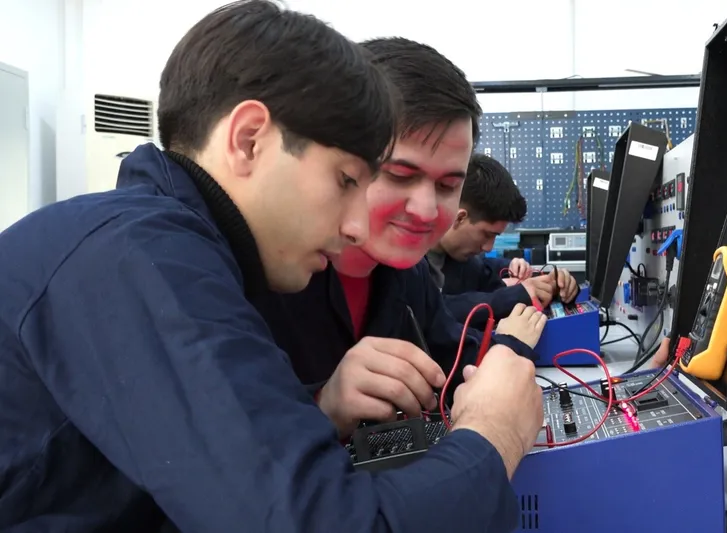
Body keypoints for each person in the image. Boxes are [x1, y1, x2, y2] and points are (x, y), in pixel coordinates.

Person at [0, 3, 544, 532]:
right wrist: (494, 432)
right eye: (346, 181)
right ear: (248, 140)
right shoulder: (137, 256)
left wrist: (317, 409)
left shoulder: (173, 248)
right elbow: (317, 520)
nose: (356, 226)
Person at [261, 37, 546, 437]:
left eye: (448, 185)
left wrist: (508, 353)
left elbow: (457, 365)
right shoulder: (262, 276)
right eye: (399, 175)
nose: (426, 210)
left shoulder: (408, 275)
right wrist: (322, 406)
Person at [428, 153, 579, 328]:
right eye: (487, 234)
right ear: (459, 218)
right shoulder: (410, 265)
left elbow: (487, 272)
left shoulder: (462, 260)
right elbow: (433, 310)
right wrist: (514, 297)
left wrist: (553, 283)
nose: (488, 247)